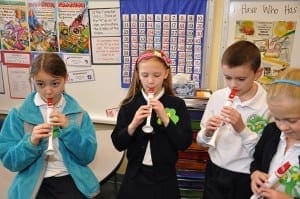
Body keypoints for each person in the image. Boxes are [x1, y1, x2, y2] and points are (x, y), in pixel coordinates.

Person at [0, 53, 100, 199]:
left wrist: (69, 128)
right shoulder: (18, 114)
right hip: (32, 183)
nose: (48, 91)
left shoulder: (79, 114)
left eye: (55, 83)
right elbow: (10, 162)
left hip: (70, 177)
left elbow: (87, 156)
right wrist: (31, 142)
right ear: (33, 80)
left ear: (65, 78)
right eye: (40, 84)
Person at [111, 49, 193, 199]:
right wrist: (133, 124)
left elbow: (184, 143)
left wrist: (165, 119)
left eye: (156, 75)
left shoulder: (177, 104)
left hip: (165, 178)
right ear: (138, 74)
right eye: (145, 75)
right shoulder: (129, 104)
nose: (150, 81)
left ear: (166, 74)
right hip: (135, 176)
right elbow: (118, 143)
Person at [196, 40, 271, 199]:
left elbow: (264, 154)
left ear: (258, 73)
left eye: (241, 79)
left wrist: (242, 129)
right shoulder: (217, 97)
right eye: (228, 78)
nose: (233, 85)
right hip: (215, 171)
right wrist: (208, 132)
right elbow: (202, 142)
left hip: (247, 176)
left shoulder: (269, 104)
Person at [250, 67, 300, 199]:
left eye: (292, 120)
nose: (282, 127)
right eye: (277, 118)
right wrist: (255, 174)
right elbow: (257, 161)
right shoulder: (272, 131)